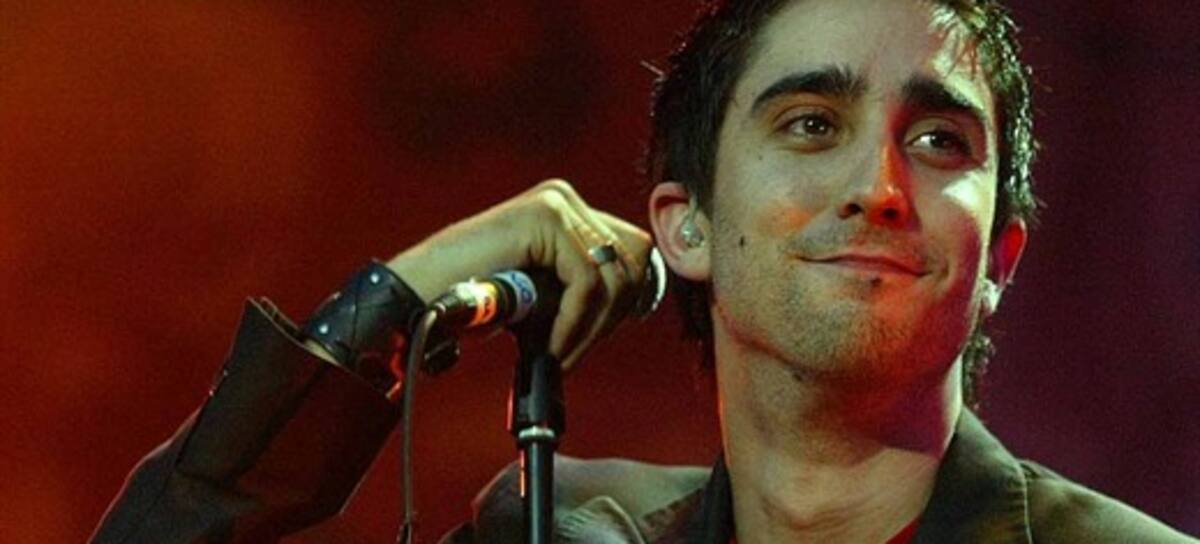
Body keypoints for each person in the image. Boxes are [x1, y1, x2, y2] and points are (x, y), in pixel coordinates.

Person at [92, 0, 1195, 542]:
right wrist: (396, 297)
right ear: (686, 225)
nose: (879, 184)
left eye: (941, 140)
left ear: (1000, 257)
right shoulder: (566, 530)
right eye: (812, 123)